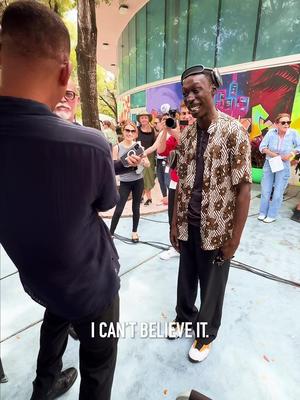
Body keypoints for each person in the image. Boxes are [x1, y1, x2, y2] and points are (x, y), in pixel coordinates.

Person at [0, 2, 138, 399]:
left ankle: (43, 388)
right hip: (91, 287)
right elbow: (105, 202)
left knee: (54, 322)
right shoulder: (88, 144)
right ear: (64, 72)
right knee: (98, 367)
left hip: (42, 282)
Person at [169, 65, 252, 362]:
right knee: (186, 277)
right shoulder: (187, 135)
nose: (190, 97)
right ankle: (183, 316)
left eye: (196, 90)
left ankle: (205, 336)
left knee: (212, 287)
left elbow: (244, 189)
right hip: (187, 225)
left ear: (213, 91)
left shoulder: (233, 132)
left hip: (217, 230)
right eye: (186, 92)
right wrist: (173, 225)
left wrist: (235, 239)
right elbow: (179, 182)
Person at [156, 102, 195, 260]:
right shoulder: (175, 132)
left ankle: (190, 248)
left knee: (191, 217)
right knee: (173, 215)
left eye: (189, 113)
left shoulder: (201, 131)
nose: (186, 116)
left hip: (193, 184)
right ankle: (175, 246)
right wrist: (166, 131)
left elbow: (189, 147)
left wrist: (176, 132)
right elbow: (160, 150)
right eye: (183, 113)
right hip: (175, 181)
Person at [110, 121, 150, 242]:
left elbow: (147, 164)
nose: (129, 133)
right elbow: (113, 167)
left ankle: (134, 232)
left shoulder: (138, 147)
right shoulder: (117, 147)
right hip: (124, 182)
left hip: (138, 180)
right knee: (119, 208)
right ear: (123, 131)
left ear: (135, 133)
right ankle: (110, 234)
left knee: (136, 208)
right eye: (127, 130)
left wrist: (143, 161)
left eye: (132, 131)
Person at [258, 113, 300, 223]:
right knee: (266, 190)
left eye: (288, 122)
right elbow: (262, 147)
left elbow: (299, 146)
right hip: (270, 162)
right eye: (283, 122)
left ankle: (272, 214)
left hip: (284, 165)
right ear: (277, 124)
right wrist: (274, 155)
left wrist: (291, 154)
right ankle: (263, 212)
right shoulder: (271, 133)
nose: (286, 124)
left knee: (278, 192)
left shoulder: (293, 134)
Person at [137, 113, 156, 205]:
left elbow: (155, 144)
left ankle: (147, 197)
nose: (144, 119)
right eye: (142, 118)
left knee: (148, 176)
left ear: (148, 119)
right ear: (139, 120)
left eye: (145, 117)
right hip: (139, 155)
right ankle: (144, 197)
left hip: (150, 156)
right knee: (140, 176)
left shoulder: (153, 131)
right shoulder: (136, 130)